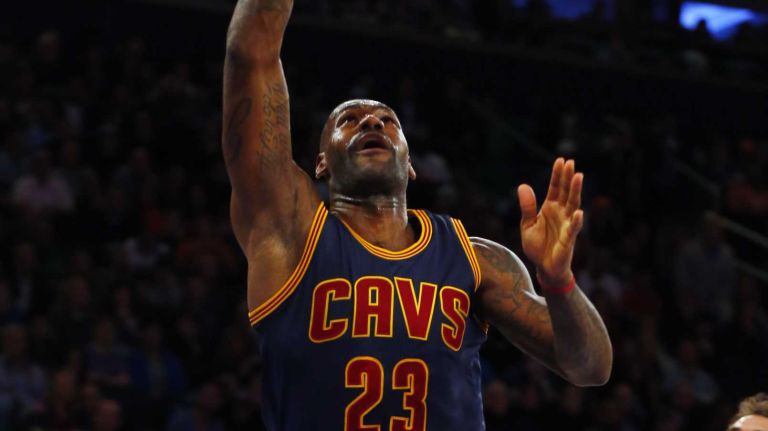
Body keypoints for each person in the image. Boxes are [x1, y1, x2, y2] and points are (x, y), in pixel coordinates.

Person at [222, 1, 612, 429]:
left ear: (409, 163)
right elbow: (250, 55)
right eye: (348, 120)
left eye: (388, 121)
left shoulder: (474, 259)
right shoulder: (288, 231)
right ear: (321, 164)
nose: (371, 120)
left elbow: (589, 369)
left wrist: (560, 285)